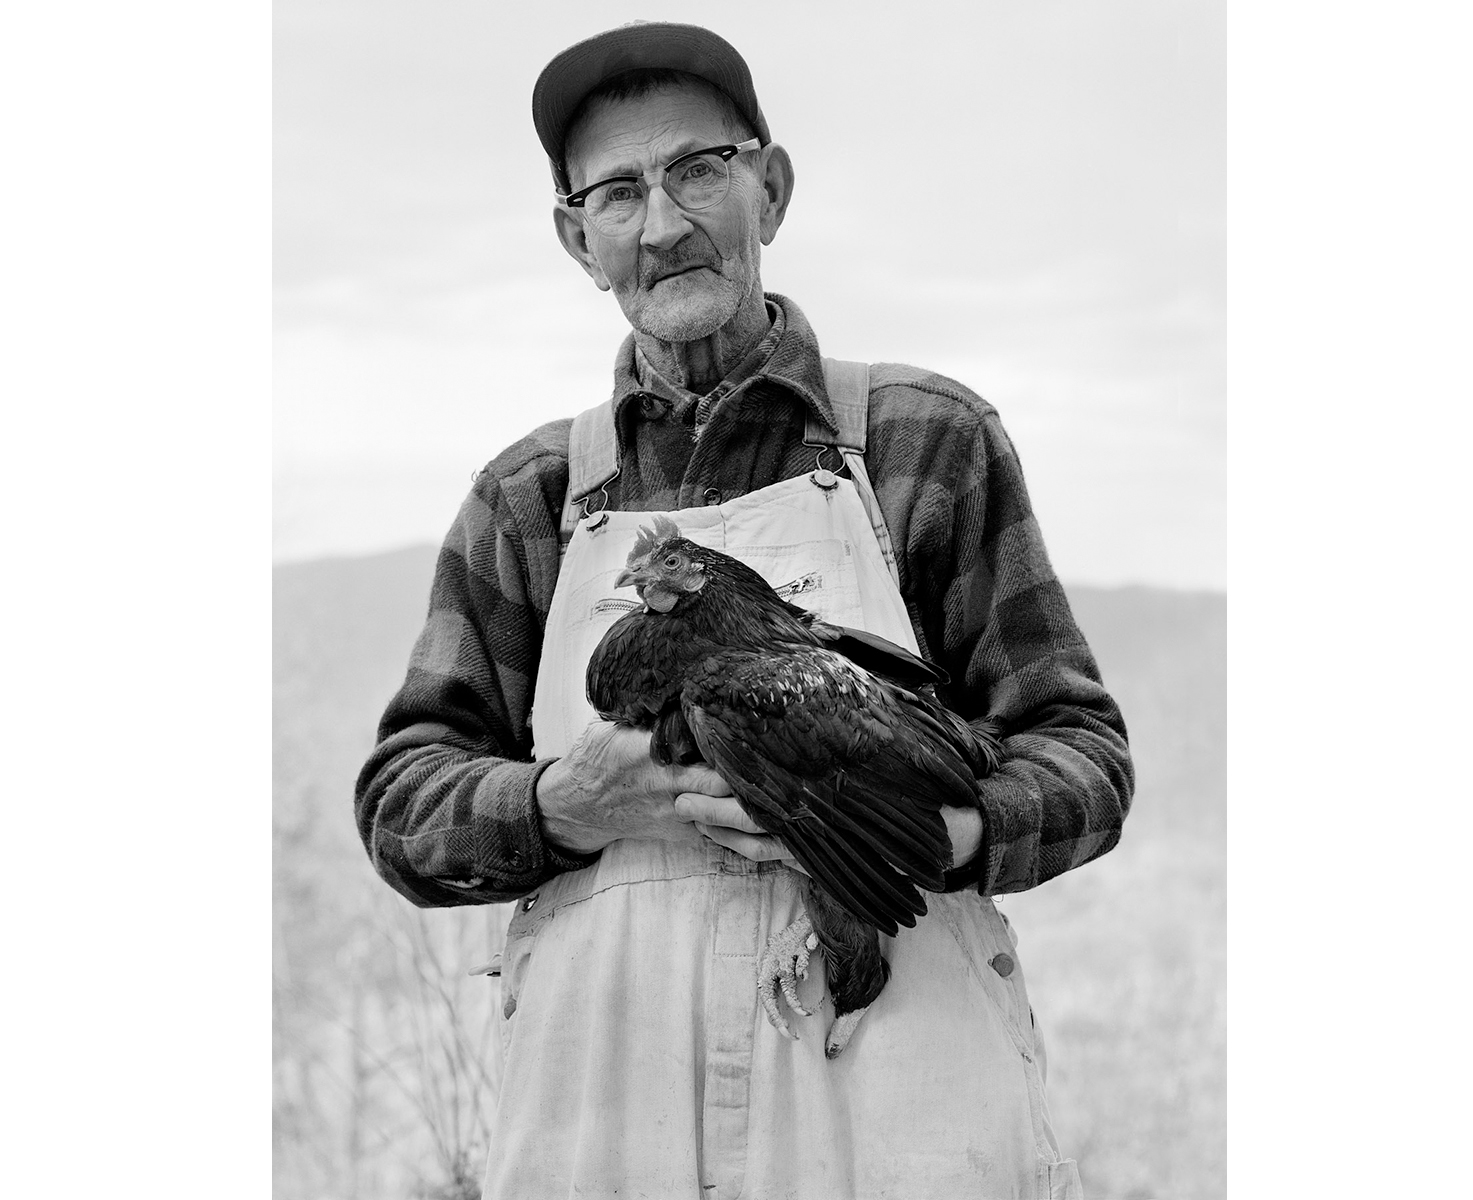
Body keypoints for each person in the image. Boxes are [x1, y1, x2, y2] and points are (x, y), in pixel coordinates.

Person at [355, 20, 1133, 1200]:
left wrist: (954, 838)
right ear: (579, 239)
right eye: (617, 193)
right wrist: (558, 805)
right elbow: (402, 801)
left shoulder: (927, 442)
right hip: (609, 1121)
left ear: (768, 188)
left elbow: (1084, 758)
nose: (662, 224)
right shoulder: (530, 496)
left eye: (697, 170)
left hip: (893, 1098)